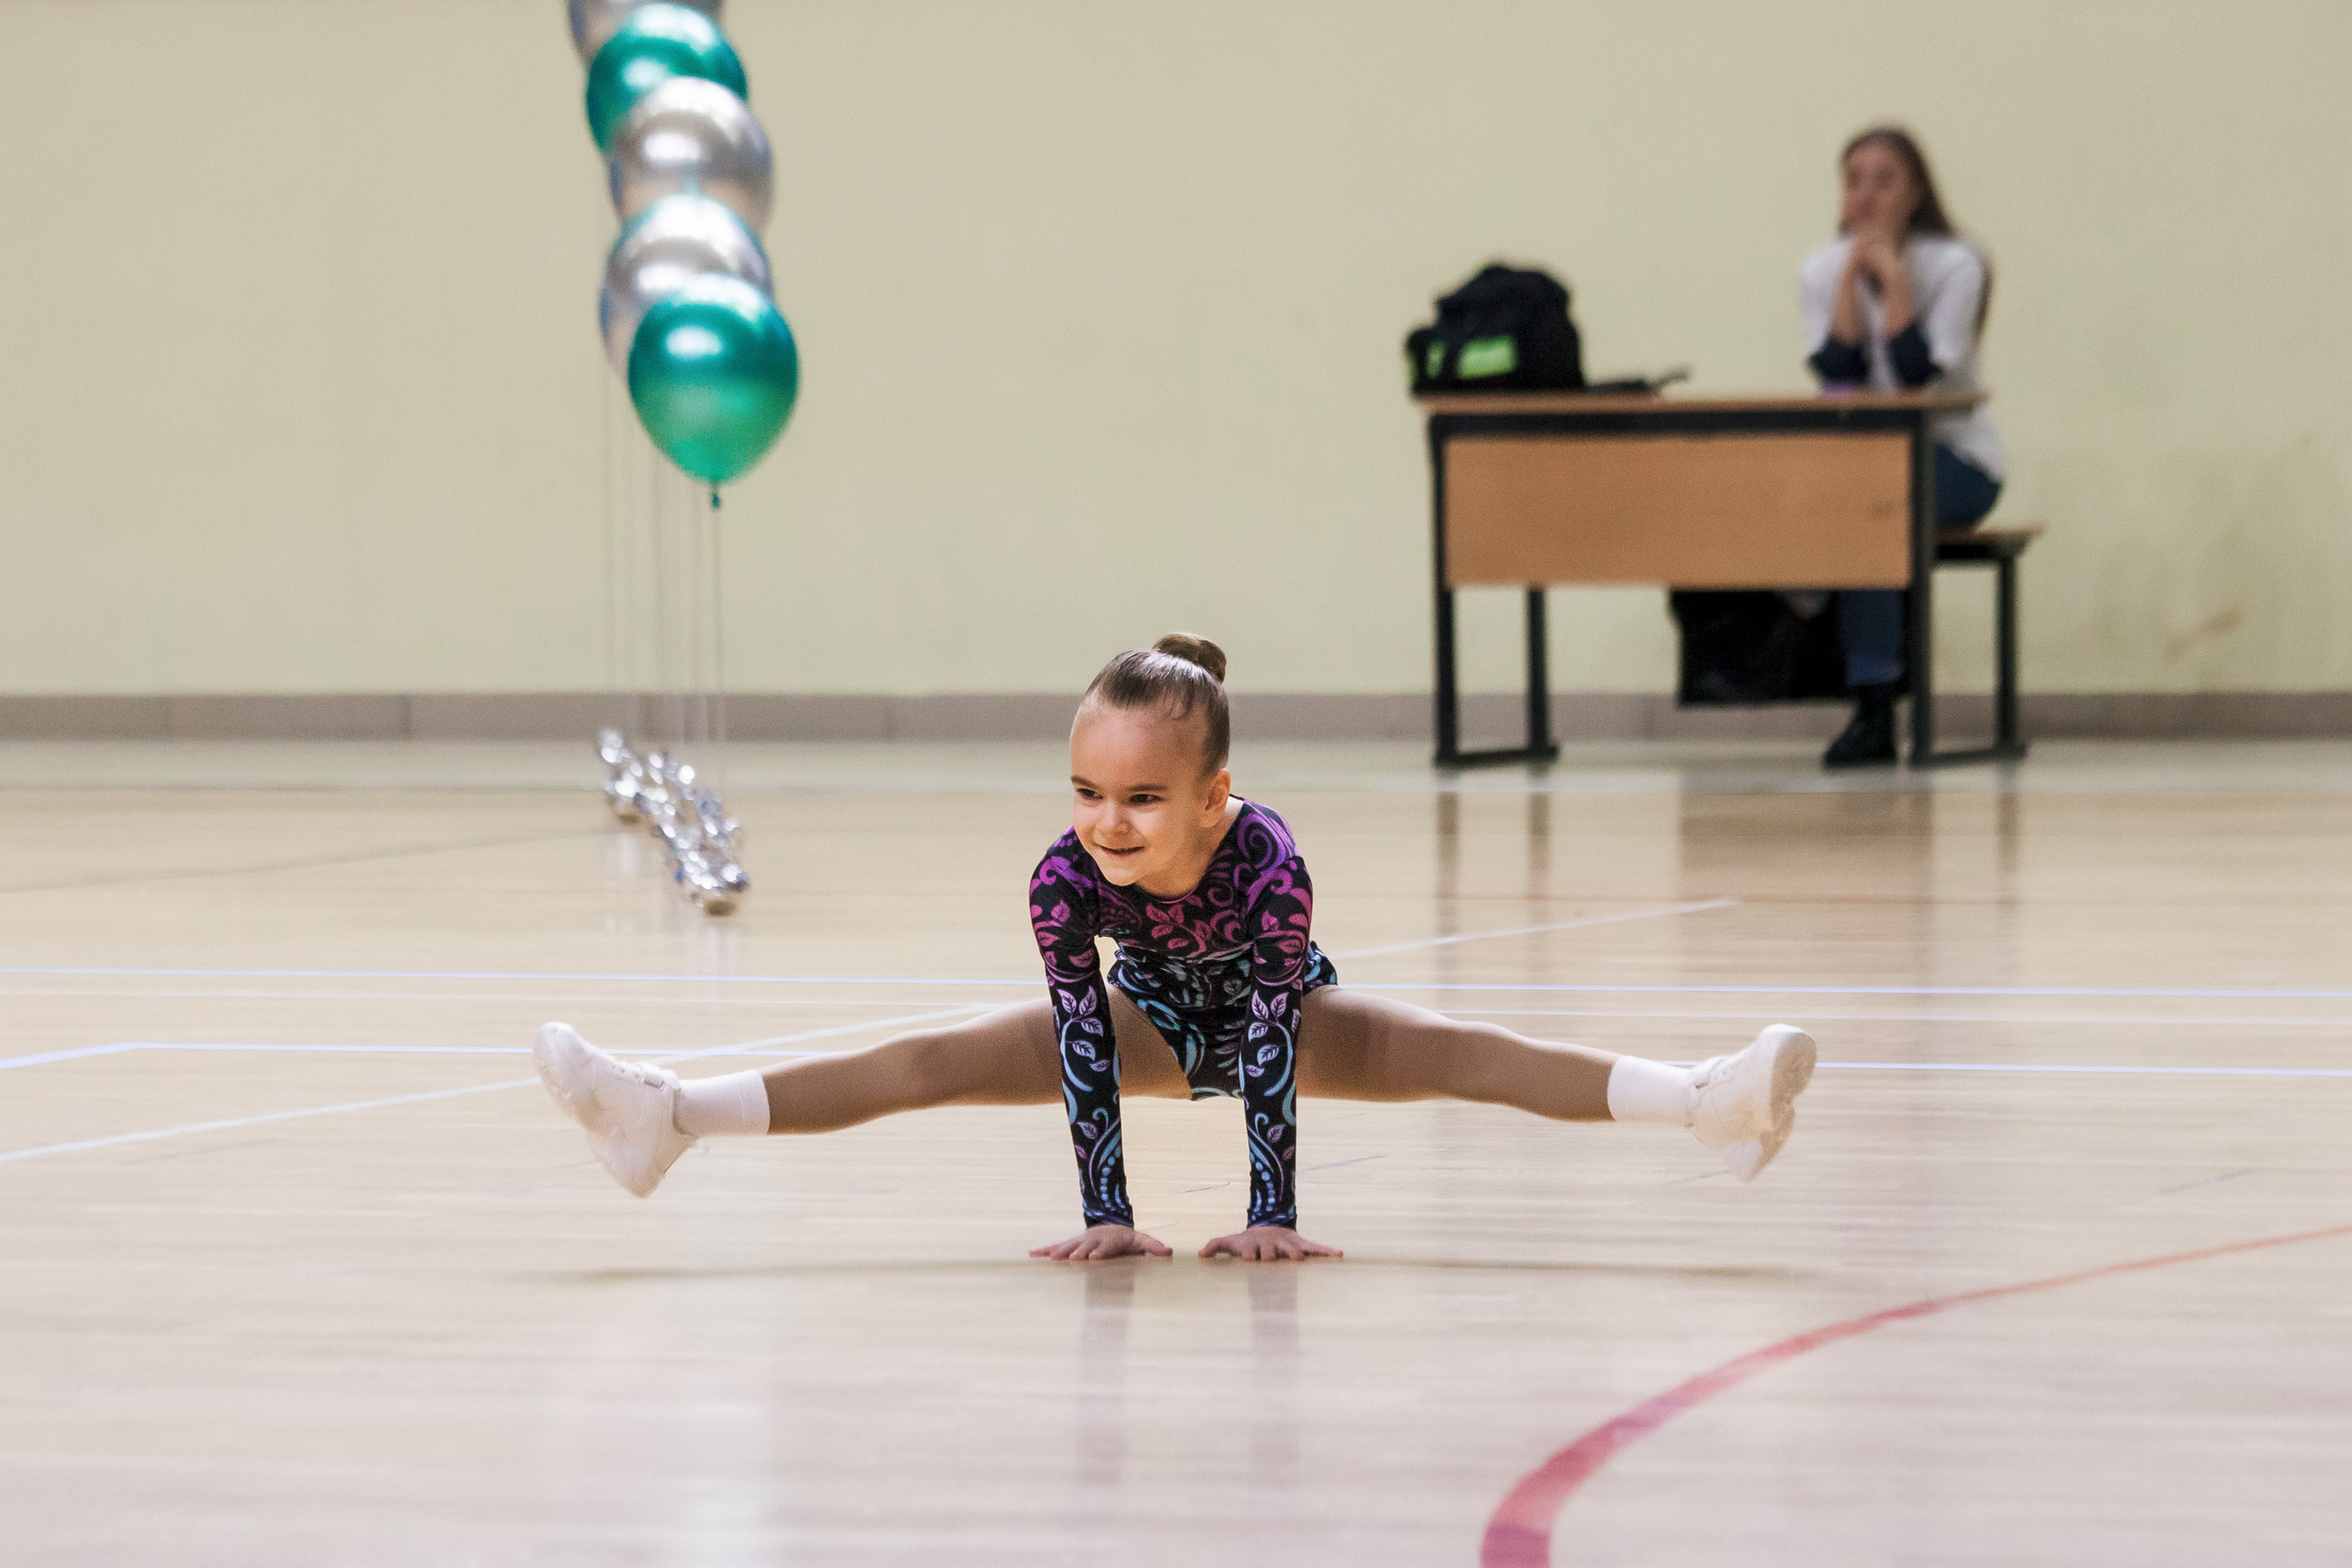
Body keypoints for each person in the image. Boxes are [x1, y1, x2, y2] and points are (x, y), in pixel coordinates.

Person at [533, 635, 1818, 1261]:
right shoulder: (1060, 875)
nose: (1107, 821)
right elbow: (1084, 1036)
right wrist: (1111, 1214)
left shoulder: (1267, 860)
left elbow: (1267, 1030)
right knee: (932, 1057)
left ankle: (1711, 1102)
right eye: (1090, 788)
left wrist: (1272, 1217)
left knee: (1470, 1052)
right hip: (1146, 1018)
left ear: (1213, 796)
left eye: (1142, 798)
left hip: (1286, 1011)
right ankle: (669, 1113)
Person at [1804, 126, 2006, 767]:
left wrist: (1891, 279)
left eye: (1884, 181)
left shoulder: (1955, 265)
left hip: (1958, 460)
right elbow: (1837, 381)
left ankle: (1874, 706)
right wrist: (1846, 282)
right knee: (1852, 503)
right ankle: (1868, 695)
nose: (1865, 195)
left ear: (1917, 192)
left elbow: (1921, 377)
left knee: (1871, 513)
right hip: (1870, 468)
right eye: (1853, 180)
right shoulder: (1818, 268)